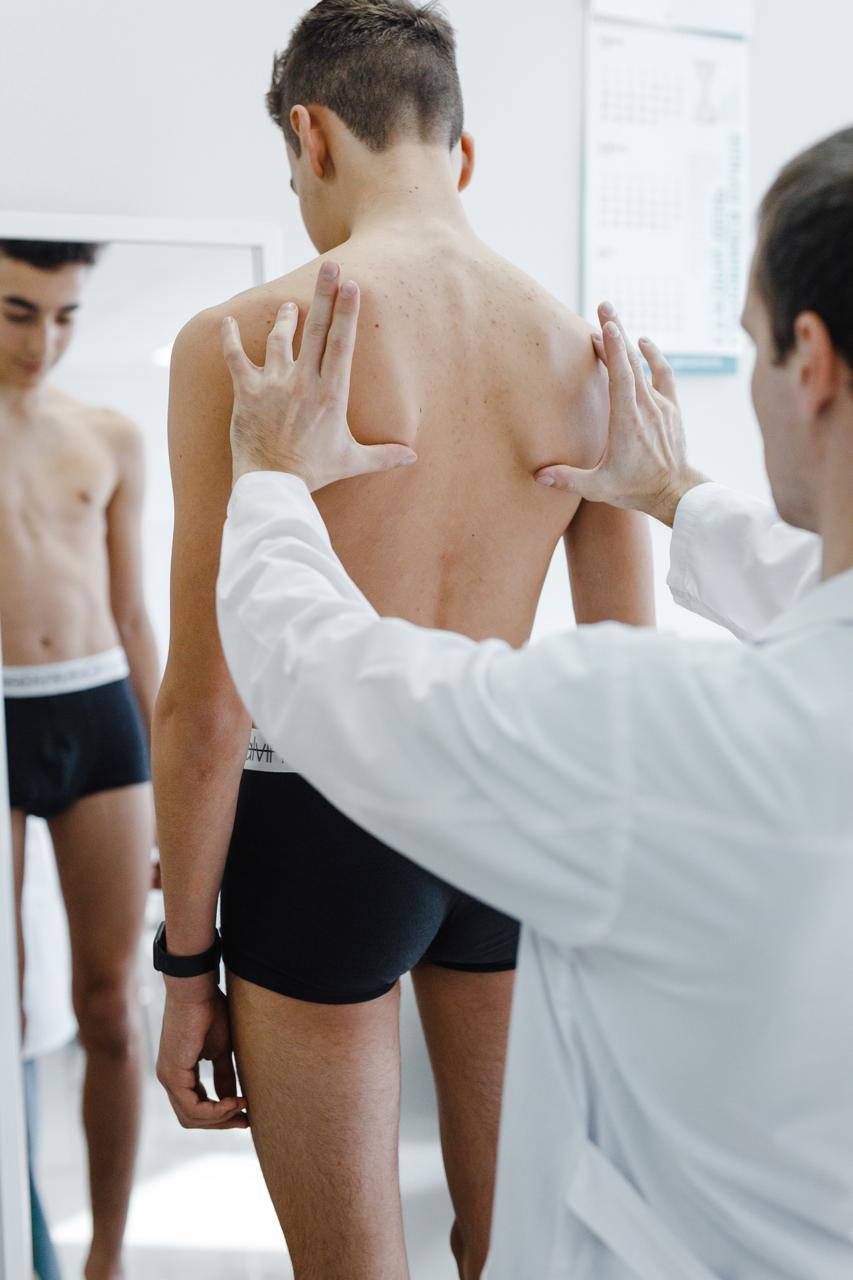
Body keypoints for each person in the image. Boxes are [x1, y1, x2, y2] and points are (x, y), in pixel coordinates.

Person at [214, 125, 852, 1280]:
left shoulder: (666, 739)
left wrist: (265, 477)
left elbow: (318, 670)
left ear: (809, 362)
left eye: (749, 341)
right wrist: (674, 491)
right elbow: (804, 586)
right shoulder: (562, 354)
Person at [153, 3, 652, 1276]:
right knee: (515, 1244)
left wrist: (186, 961)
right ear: (461, 152)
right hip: (512, 803)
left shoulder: (242, 342)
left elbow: (205, 706)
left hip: (320, 820)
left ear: (311, 137)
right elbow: (624, 674)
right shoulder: (586, 352)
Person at [0, 238, 158, 1280]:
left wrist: (179, 777)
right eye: (18, 311)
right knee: (7, 1008)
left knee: (110, 1004)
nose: (42, 341)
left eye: (64, 316)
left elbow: (134, 613)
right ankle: (21, 1238)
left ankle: (107, 1256)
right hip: (2, 716)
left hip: (99, 711)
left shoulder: (108, 435)